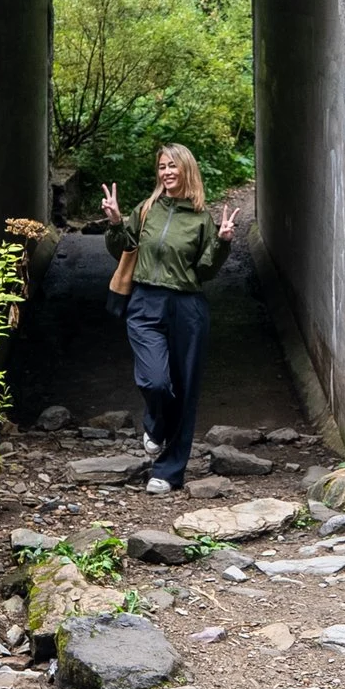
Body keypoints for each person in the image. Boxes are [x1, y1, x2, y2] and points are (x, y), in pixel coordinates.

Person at [102, 145, 238, 495]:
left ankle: (169, 471)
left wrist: (222, 243)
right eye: (162, 167)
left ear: (186, 171)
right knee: (156, 381)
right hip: (145, 302)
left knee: (185, 388)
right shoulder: (147, 210)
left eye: (173, 167)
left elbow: (206, 270)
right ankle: (156, 427)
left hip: (187, 307)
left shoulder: (201, 219)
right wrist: (116, 222)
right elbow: (123, 249)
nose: (166, 173)